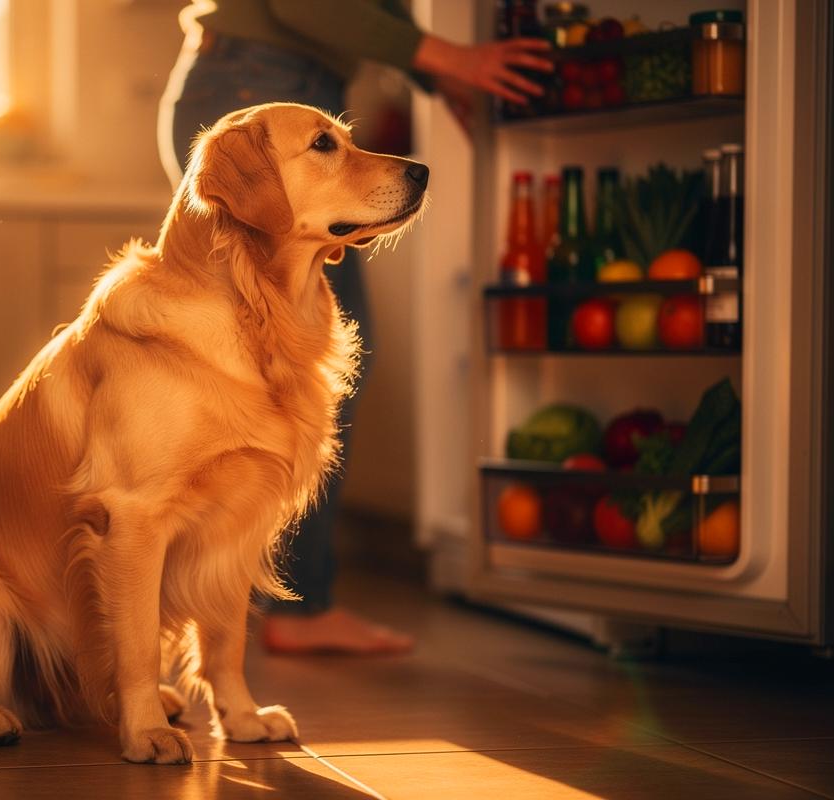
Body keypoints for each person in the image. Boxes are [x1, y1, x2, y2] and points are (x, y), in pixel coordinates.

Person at [157, 0, 551, 655]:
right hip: (262, 89)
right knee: (306, 365)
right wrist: (453, 59)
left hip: (254, 80)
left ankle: (227, 609)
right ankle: (292, 603)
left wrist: (434, 73)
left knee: (261, 368)